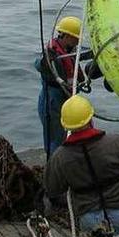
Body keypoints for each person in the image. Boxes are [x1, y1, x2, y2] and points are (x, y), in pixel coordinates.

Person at [44, 95, 119, 237]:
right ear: (90, 119)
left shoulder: (60, 158)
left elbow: (53, 189)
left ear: (65, 125)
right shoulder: (113, 143)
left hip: (89, 217)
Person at [35, 16, 82, 155]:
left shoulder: (68, 52)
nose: (78, 41)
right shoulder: (51, 54)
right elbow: (39, 64)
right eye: (75, 38)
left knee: (65, 137)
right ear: (66, 36)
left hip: (65, 101)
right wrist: (45, 62)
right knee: (55, 140)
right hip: (52, 103)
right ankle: (54, 168)